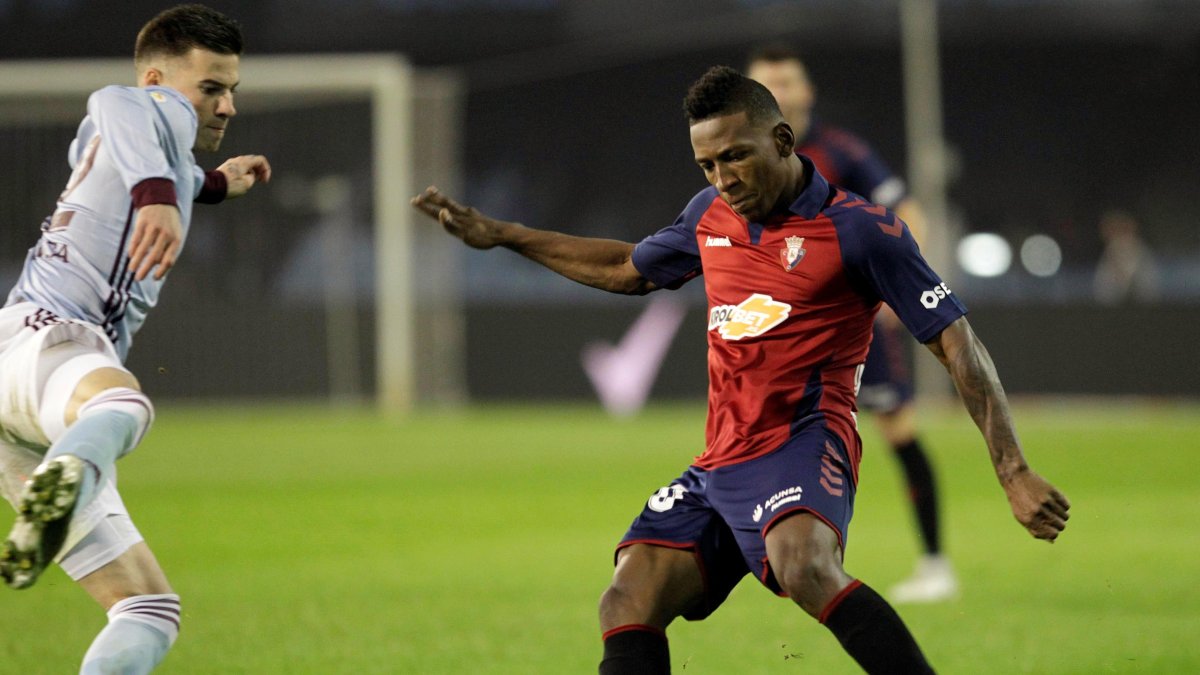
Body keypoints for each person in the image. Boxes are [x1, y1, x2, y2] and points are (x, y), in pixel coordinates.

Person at [412, 66, 1069, 674]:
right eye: (706, 165)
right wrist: (506, 235)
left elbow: (957, 343)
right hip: (720, 461)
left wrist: (1011, 470)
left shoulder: (860, 231)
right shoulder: (710, 217)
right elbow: (625, 268)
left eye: (734, 157)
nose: (722, 179)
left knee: (803, 565)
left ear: (782, 139)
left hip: (804, 445)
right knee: (627, 597)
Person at [0, 5, 270, 673]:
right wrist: (157, 192)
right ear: (158, 79)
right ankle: (55, 491)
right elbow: (117, 103)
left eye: (232, 89)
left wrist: (212, 184)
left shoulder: (148, 153)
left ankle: (54, 485)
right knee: (122, 405)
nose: (226, 105)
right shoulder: (143, 108)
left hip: (26, 407)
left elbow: (136, 156)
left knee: (148, 609)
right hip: (42, 338)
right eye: (211, 87)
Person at [747, 44, 955, 603]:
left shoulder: (841, 152)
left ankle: (935, 565)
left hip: (852, 329)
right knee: (760, 439)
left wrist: (897, 286)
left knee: (899, 432)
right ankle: (773, 560)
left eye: (787, 82)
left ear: (807, 91)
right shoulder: (743, 162)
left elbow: (909, 213)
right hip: (780, 333)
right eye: (767, 86)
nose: (780, 94)